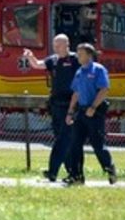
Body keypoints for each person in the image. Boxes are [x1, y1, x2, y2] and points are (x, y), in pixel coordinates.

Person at [23, 34, 81, 183]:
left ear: (67, 45)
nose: (56, 48)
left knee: (64, 140)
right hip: (56, 105)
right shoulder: (53, 60)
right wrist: (30, 57)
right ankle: (73, 174)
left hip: (71, 105)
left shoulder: (76, 60)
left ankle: (53, 171)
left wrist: (73, 109)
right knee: (61, 139)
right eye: (55, 45)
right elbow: (38, 64)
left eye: (59, 45)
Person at [66, 43, 118, 185]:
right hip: (81, 111)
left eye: (81, 54)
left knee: (97, 144)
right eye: (77, 53)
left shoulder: (98, 70)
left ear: (89, 55)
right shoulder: (79, 72)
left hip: (95, 112)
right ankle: (76, 176)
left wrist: (94, 107)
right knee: (75, 144)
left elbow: (104, 90)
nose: (78, 56)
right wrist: (70, 112)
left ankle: (109, 168)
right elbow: (76, 93)